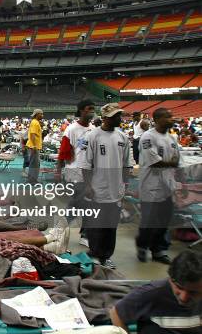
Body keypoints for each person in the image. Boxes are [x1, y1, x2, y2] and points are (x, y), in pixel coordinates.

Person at [81, 103, 130, 269]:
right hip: (98, 188)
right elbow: (86, 164)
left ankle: (106, 255)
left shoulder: (123, 138)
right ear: (105, 118)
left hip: (116, 189)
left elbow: (126, 164)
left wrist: (125, 184)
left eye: (119, 115)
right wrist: (88, 185)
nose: (119, 118)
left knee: (111, 225)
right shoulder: (92, 136)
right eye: (116, 115)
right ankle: (95, 253)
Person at [109, 250, 202, 334]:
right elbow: (116, 313)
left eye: (193, 292)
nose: (183, 297)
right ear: (170, 279)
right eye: (179, 287)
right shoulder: (150, 293)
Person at [136, 108, 180, 265]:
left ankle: (158, 250)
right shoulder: (148, 137)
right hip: (151, 186)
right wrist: (171, 163)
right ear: (157, 119)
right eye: (168, 116)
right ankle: (142, 246)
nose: (171, 119)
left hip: (168, 185)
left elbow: (176, 160)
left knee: (164, 220)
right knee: (149, 221)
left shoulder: (172, 138)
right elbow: (155, 161)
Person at [56, 99, 95, 247]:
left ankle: (82, 233)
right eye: (88, 108)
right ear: (80, 111)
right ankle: (63, 230)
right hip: (75, 171)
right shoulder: (71, 129)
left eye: (93, 108)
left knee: (86, 204)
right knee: (78, 203)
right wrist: (58, 172)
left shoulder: (93, 129)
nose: (91, 110)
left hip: (89, 173)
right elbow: (63, 152)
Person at [27, 109, 44, 183]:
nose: (42, 115)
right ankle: (33, 180)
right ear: (37, 114)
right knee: (35, 165)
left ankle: (31, 179)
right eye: (41, 114)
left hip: (34, 146)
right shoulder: (35, 123)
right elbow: (33, 134)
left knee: (33, 164)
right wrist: (34, 146)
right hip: (34, 147)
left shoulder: (36, 122)